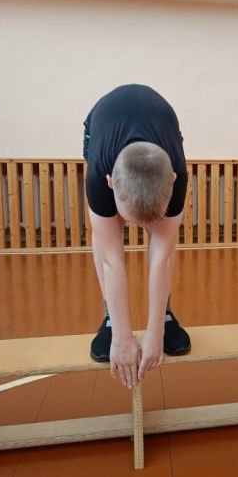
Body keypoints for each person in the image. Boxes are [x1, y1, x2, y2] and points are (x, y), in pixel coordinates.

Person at [83, 84, 191, 389]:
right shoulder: (99, 174)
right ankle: (110, 317)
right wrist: (121, 335)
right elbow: (112, 260)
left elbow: (161, 256)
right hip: (101, 125)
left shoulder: (177, 174)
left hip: (162, 127)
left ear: (172, 181)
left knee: (163, 243)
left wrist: (155, 331)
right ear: (110, 183)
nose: (138, 227)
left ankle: (166, 314)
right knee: (106, 236)